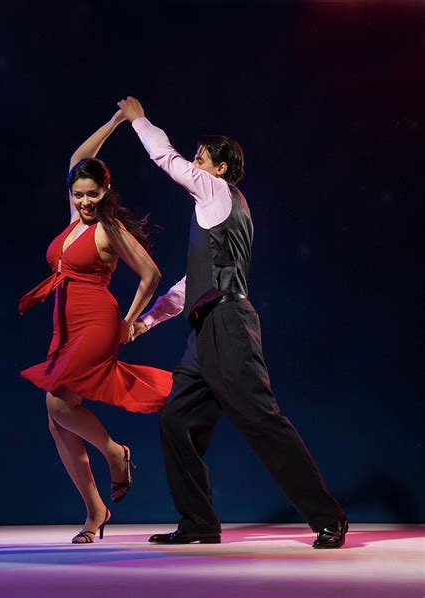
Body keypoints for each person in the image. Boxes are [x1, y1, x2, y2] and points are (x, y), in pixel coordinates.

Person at [117, 96, 348, 549]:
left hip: (228, 324)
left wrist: (139, 121)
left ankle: (329, 517)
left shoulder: (218, 192)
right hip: (205, 329)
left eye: (202, 159)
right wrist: (146, 322)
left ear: (219, 170)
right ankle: (199, 522)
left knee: (261, 420)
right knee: (176, 421)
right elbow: (192, 283)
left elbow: (167, 160)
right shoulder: (216, 210)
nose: (195, 164)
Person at [19, 109, 172, 544]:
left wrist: (129, 322)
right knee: (58, 421)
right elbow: (77, 157)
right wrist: (117, 120)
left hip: (98, 324)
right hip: (63, 327)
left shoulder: (108, 228)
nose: (84, 201)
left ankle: (115, 454)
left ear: (105, 191)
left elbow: (151, 275)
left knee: (55, 404)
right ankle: (94, 512)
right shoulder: (74, 221)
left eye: (92, 194)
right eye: (79, 194)